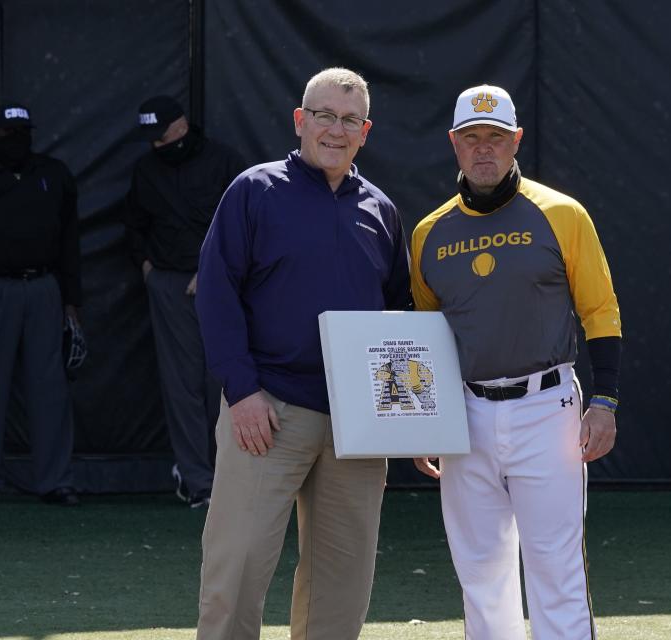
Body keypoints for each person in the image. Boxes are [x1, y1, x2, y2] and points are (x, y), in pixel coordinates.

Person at [194, 68, 410, 640]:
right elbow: (216, 294)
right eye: (323, 116)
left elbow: (400, 323)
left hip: (358, 428)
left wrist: (405, 419)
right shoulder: (253, 191)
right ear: (300, 120)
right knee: (236, 570)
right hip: (268, 411)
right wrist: (241, 392)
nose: (335, 130)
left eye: (349, 120)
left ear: (365, 131)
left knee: (342, 588)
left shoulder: (382, 212)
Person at [411, 85, 623, 639]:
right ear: (455, 143)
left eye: (496, 137)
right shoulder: (428, 235)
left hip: (546, 405)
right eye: (473, 137)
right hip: (465, 414)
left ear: (516, 141)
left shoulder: (562, 213)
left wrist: (604, 401)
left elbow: (600, 310)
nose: (485, 149)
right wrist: (424, 421)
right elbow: (425, 336)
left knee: (556, 567)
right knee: (480, 571)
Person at [123, 95, 246, 509]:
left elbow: (242, 226)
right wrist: (148, 269)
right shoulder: (146, 169)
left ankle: (230, 475)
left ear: (180, 126)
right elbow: (135, 223)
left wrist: (211, 272)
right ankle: (197, 481)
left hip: (221, 286)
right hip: (170, 286)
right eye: (151, 140)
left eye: (162, 136)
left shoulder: (224, 162)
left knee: (224, 382)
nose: (158, 145)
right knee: (181, 385)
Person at [0, 103, 82, 506]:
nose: (17, 139)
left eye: (23, 131)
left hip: (44, 287)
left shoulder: (53, 173)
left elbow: (70, 242)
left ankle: (55, 480)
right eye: (9, 132)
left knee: (49, 388)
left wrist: (71, 301)